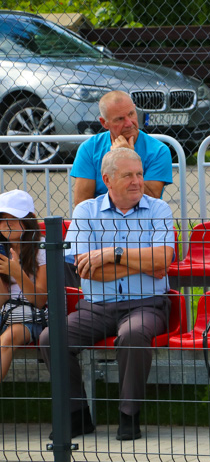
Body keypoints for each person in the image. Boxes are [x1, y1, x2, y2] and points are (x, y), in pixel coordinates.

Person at [40, 148, 175, 441]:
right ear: (107, 179)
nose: (138, 181)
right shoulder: (86, 212)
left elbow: (163, 260)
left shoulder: (159, 210)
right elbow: (85, 269)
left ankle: (129, 415)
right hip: (96, 307)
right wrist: (143, 264)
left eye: (139, 174)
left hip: (147, 305)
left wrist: (113, 254)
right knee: (52, 338)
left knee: (133, 334)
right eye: (128, 175)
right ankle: (76, 416)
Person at [71, 91, 172, 206]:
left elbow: (150, 199)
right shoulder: (89, 149)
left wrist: (127, 158)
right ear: (104, 123)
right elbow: (82, 203)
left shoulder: (158, 151)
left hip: (142, 220)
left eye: (131, 114)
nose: (129, 123)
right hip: (101, 220)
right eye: (120, 119)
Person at [0, 190, 47, 382]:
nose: (7, 225)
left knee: (9, 338)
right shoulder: (1, 247)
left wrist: (17, 272)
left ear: (29, 220)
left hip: (34, 317)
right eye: (2, 219)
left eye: (14, 218)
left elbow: (40, 300)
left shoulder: (42, 247)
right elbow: (2, 298)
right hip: (6, 311)